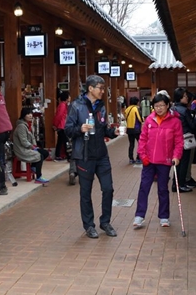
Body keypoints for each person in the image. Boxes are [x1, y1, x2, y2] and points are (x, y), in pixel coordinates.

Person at [65, 75, 119, 239]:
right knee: (85, 192)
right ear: (90, 88)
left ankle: (105, 222)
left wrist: (113, 132)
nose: (103, 91)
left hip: (101, 154)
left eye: (104, 88)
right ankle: (89, 225)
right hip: (84, 155)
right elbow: (68, 130)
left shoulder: (101, 106)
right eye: (100, 88)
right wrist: (80, 129)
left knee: (108, 188)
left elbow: (103, 128)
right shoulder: (76, 106)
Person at [133, 93, 183, 229]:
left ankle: (164, 216)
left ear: (167, 106)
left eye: (162, 105)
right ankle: (139, 215)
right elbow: (143, 139)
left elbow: (179, 142)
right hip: (148, 161)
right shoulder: (149, 120)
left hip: (165, 161)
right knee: (144, 187)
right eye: (156, 106)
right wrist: (142, 155)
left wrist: (176, 156)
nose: (159, 108)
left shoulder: (175, 122)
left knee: (162, 189)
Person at [12, 107, 49, 184]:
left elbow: (31, 138)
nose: (30, 115)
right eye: (28, 114)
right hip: (21, 150)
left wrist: (34, 146)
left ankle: (33, 167)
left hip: (28, 147)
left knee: (45, 153)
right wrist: (33, 147)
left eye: (31, 114)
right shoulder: (21, 126)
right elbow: (24, 141)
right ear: (24, 115)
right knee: (39, 155)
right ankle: (38, 177)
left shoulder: (28, 125)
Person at [172, 88, 195, 193]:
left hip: (174, 138)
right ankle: (181, 184)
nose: (187, 98)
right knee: (184, 162)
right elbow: (192, 125)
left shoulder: (172, 109)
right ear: (180, 97)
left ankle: (175, 183)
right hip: (184, 138)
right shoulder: (185, 110)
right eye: (185, 96)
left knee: (177, 162)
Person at [124, 96, 143, 164]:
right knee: (140, 143)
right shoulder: (136, 108)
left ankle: (131, 158)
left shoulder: (127, 109)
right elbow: (140, 118)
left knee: (131, 144)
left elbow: (126, 118)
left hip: (129, 129)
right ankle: (138, 158)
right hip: (136, 128)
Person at [53, 91, 70, 161]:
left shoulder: (63, 105)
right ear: (66, 98)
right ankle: (69, 156)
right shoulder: (63, 105)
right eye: (69, 96)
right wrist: (55, 125)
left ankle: (58, 155)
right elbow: (59, 116)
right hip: (61, 126)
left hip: (62, 126)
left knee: (60, 141)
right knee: (66, 141)